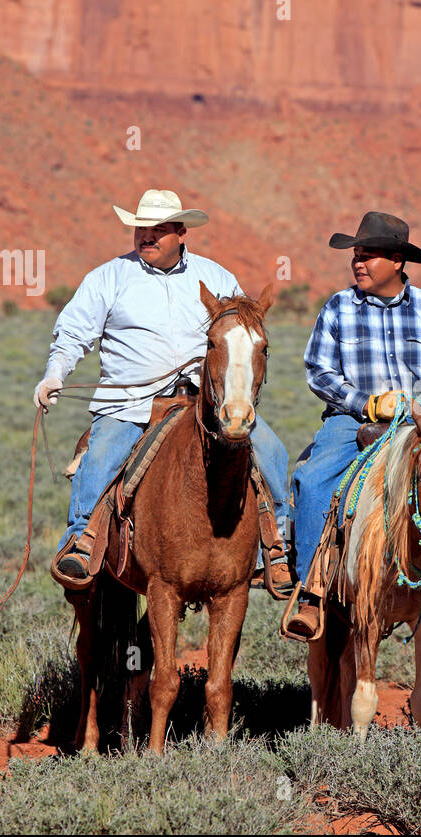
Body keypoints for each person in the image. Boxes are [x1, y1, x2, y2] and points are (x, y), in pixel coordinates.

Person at [34, 188, 292, 592]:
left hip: (201, 404)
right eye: (141, 229)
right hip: (129, 404)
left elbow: (240, 331)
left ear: (181, 232)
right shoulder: (109, 277)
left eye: (158, 230)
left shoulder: (217, 278)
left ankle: (275, 550)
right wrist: (54, 374)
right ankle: (82, 540)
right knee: (102, 454)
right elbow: (72, 334)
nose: (147, 237)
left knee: (273, 452)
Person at [284, 211, 421, 642]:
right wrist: (366, 402)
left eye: (368, 256)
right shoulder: (338, 308)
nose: (357, 264)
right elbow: (318, 371)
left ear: (398, 261)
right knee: (313, 479)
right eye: (355, 257)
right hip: (353, 421)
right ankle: (312, 592)